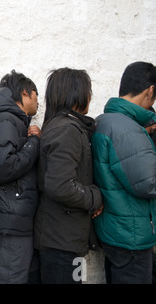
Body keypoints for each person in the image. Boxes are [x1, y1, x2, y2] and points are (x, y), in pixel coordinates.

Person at [33, 68, 103, 284]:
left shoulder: (62, 125)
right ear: (77, 94)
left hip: (64, 238)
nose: (90, 96)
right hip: (61, 243)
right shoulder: (67, 130)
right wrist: (95, 198)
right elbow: (60, 185)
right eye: (88, 91)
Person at [92, 61, 156, 284]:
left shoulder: (104, 121)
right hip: (132, 235)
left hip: (114, 230)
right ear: (150, 91)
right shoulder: (128, 129)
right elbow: (148, 183)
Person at [0, 70, 41, 283]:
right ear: (25, 93)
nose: (38, 102)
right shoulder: (6, 121)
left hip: (15, 221)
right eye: (36, 95)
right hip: (9, 225)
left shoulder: (12, 121)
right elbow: (4, 167)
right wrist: (34, 142)